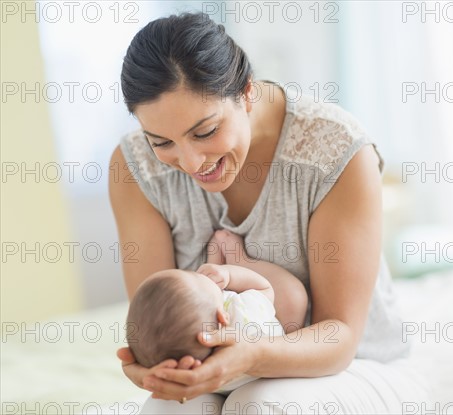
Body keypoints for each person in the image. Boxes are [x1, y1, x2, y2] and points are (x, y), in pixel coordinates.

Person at [110, 11, 428, 414]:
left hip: (355, 366)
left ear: (246, 93)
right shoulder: (135, 166)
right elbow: (153, 310)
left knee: (260, 405)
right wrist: (155, 372)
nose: (190, 162)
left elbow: (340, 336)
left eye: (204, 132)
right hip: (224, 371)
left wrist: (252, 357)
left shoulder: (335, 151)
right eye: (162, 141)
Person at [126, 229, 300, 394]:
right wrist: (230, 273)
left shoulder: (191, 370)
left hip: (223, 386)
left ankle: (213, 269)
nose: (196, 273)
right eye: (197, 276)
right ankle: (238, 261)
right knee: (293, 297)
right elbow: (264, 288)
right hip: (274, 364)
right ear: (223, 316)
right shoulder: (243, 314)